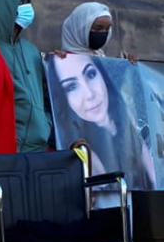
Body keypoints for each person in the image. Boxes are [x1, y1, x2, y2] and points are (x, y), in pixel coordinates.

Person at [48, 52, 155, 191]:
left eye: (91, 74)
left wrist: (126, 65)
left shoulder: (125, 113)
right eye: (72, 87)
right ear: (62, 98)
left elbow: (154, 175)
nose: (89, 94)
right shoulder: (81, 148)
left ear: (102, 74)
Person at [0, 0, 51, 152]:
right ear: (4, 8)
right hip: (7, 145)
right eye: (20, 2)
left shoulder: (31, 50)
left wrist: (46, 122)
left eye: (27, 2)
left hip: (40, 144)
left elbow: (44, 92)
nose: (26, 7)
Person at [60, 1, 137, 62]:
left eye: (107, 29)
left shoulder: (101, 57)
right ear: (80, 29)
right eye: (98, 28)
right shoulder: (62, 60)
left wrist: (126, 67)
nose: (103, 33)